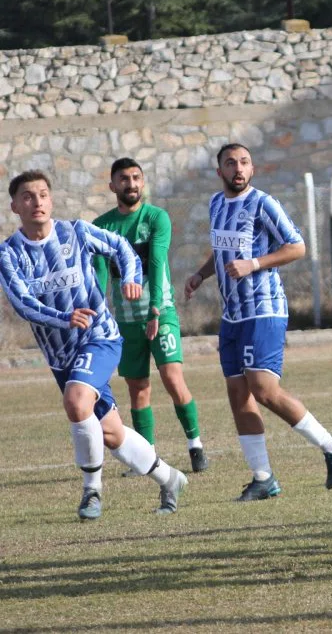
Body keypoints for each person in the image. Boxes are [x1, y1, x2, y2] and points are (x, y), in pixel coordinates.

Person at [1, 170, 187, 519]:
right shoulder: (10, 254)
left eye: (43, 194)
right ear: (14, 206)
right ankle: (170, 478)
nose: (37, 201)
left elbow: (121, 247)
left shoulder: (76, 231)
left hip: (99, 337)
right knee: (111, 433)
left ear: (51, 200)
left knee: (75, 400)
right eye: (27, 196)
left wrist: (131, 277)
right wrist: (64, 317)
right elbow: (23, 303)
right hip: (61, 355)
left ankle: (92, 493)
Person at [184, 144, 332, 501]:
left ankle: (331, 445)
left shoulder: (262, 204)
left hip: (264, 308)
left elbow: (297, 246)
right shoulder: (215, 204)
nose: (238, 169)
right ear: (220, 172)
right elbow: (223, 251)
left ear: (252, 169)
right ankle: (263, 478)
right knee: (238, 394)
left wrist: (255, 264)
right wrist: (201, 274)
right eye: (230, 163)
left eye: (243, 162)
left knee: (264, 390)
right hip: (232, 315)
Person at [93, 158, 207, 474]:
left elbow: (156, 262)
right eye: (124, 179)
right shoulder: (101, 226)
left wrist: (155, 308)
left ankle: (195, 445)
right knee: (138, 389)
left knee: (172, 378)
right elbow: (100, 275)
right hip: (126, 322)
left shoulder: (156, 217)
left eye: (136, 178)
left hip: (161, 312)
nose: (131, 184)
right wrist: (98, 314)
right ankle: (146, 456)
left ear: (143, 182)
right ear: (112, 185)